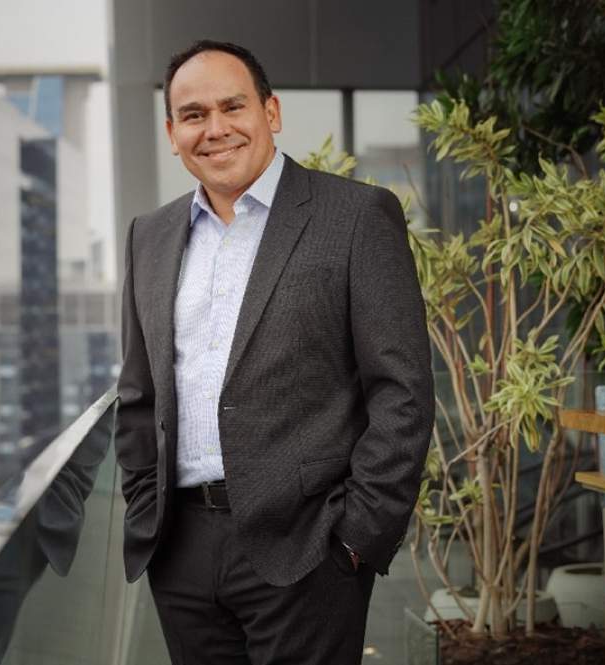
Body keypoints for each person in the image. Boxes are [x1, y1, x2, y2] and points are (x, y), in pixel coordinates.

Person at [115, 39, 434, 665]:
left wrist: (357, 536)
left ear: (271, 112)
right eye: (193, 115)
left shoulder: (356, 216)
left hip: (310, 549)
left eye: (232, 107)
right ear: (173, 133)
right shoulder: (149, 235)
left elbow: (402, 391)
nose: (215, 129)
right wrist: (145, 506)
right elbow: (138, 391)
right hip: (180, 550)